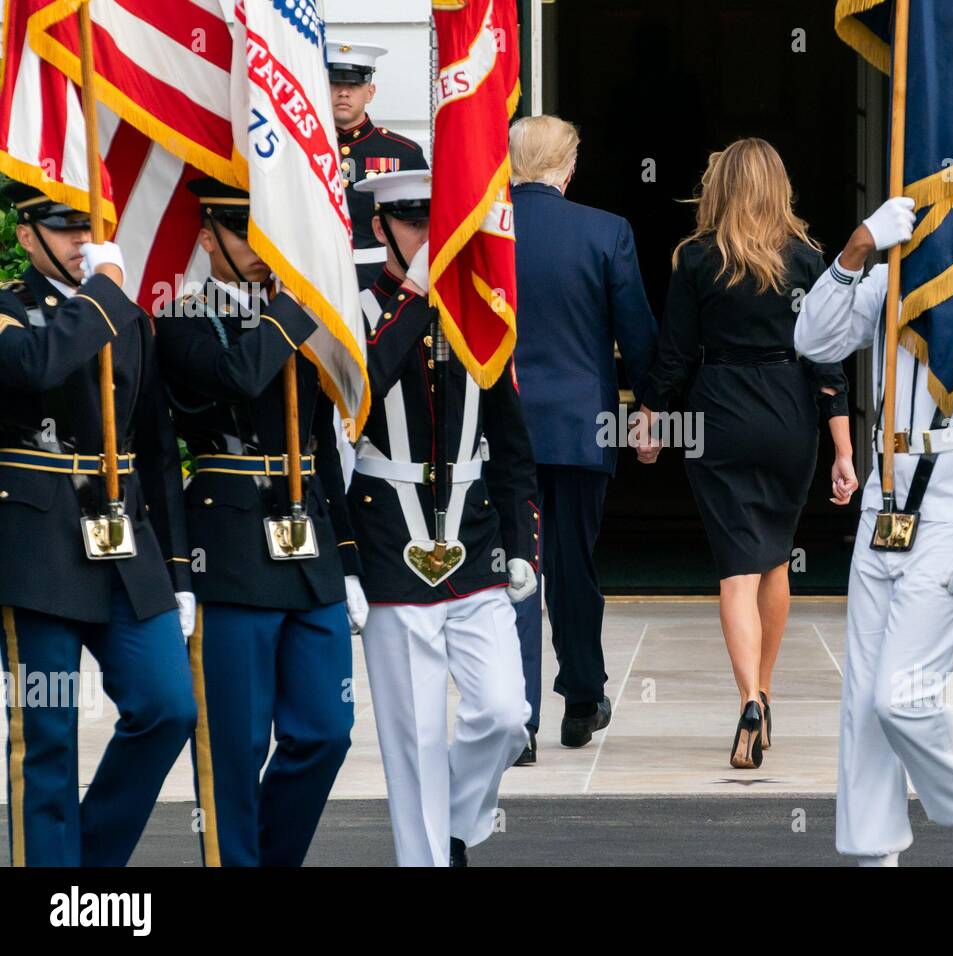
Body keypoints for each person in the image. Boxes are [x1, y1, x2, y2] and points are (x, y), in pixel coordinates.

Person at [795, 163, 953, 867]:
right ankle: (875, 852)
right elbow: (813, 344)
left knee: (902, 697)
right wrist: (856, 251)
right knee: (865, 702)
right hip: (886, 504)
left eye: (943, 204)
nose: (929, 218)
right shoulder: (895, 281)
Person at [155, 178, 365, 867]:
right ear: (208, 236)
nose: (259, 250)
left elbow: (322, 450)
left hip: (309, 554)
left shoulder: (294, 317)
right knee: (235, 747)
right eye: (244, 233)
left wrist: (350, 557)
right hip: (233, 548)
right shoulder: (181, 318)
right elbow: (240, 375)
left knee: (327, 731)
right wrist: (298, 307)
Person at [638, 138, 853, 770]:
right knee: (776, 562)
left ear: (720, 187)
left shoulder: (697, 258)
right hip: (790, 414)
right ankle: (767, 689)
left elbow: (674, 354)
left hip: (719, 415)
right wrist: (843, 452)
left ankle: (749, 698)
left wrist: (648, 421)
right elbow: (827, 362)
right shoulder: (810, 260)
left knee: (736, 568)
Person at [0, 181, 196, 866]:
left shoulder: (127, 318)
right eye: (64, 226)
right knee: (46, 733)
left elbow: (157, 449)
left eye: (92, 225)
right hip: (38, 555)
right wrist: (105, 294)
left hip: (125, 547)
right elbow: (36, 364)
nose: (84, 239)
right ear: (27, 236)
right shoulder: (8, 311)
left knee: (169, 706)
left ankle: (84, 868)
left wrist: (178, 572)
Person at [348, 170, 536, 867]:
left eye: (439, 219)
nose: (429, 234)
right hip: (391, 548)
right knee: (416, 740)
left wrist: (523, 542)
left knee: (504, 715)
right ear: (381, 228)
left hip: (475, 539)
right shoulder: (357, 310)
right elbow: (358, 401)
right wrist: (416, 295)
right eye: (412, 221)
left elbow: (514, 443)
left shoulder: (480, 314)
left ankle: (454, 823)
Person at [509, 115, 659, 759]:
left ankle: (519, 718)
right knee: (573, 565)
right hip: (579, 426)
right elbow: (638, 332)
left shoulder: (482, 228)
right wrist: (652, 405)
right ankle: (580, 697)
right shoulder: (606, 231)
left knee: (512, 571)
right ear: (568, 168)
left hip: (500, 429)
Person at [327, 40, 428, 290]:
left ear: (369, 92)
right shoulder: (301, 149)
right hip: (319, 281)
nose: (344, 92)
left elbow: (424, 226)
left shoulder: (402, 153)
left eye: (354, 84)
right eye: (336, 83)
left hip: (382, 282)